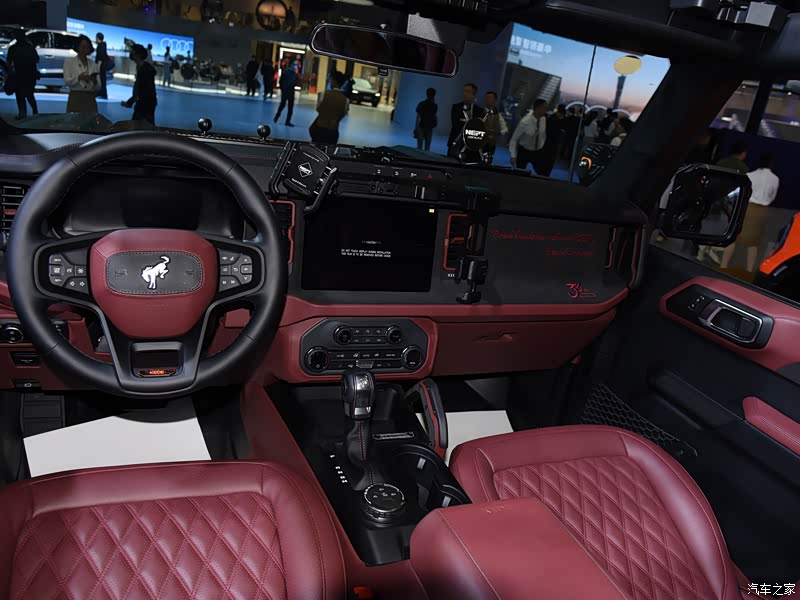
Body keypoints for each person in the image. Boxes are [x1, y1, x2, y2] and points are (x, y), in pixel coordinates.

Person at [720, 153, 780, 273]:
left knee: (733, 236)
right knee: (754, 243)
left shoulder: (750, 175)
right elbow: (772, 197)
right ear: (772, 164)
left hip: (747, 208)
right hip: (762, 211)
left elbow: (742, 192)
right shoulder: (775, 179)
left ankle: (723, 265)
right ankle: (749, 271)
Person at [509, 99, 548, 174]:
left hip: (538, 151)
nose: (546, 110)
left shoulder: (544, 119)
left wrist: (542, 145)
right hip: (524, 151)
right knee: (519, 173)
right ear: (538, 108)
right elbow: (514, 139)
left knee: (542, 173)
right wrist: (513, 155)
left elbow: (543, 134)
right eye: (544, 108)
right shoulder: (525, 121)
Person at [309, 71, 349, 144]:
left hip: (319, 129)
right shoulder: (346, 100)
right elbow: (343, 114)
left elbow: (318, 109)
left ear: (333, 81)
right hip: (333, 131)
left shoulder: (323, 94)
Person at [121, 44, 157, 124]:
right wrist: (130, 102)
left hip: (146, 103)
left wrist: (131, 102)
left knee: (142, 125)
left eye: (132, 52)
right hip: (143, 102)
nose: (131, 53)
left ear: (138, 55)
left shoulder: (146, 70)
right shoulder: (140, 67)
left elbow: (145, 90)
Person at [64, 35, 100, 114]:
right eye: (83, 47)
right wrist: (79, 78)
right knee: (74, 120)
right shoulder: (69, 62)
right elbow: (67, 81)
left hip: (90, 98)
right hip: (75, 98)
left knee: (91, 121)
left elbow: (98, 87)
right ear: (77, 47)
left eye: (87, 47)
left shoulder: (94, 65)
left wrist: (95, 82)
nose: (85, 49)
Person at [7, 30, 39, 120]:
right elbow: (36, 59)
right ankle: (35, 112)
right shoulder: (30, 47)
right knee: (30, 94)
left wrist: (11, 72)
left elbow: (9, 61)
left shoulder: (13, 48)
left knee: (20, 95)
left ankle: (22, 113)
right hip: (30, 74)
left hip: (19, 74)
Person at [448, 83, 484, 157]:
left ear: (473, 94)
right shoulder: (456, 107)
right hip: (455, 143)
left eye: (468, 91)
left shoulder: (479, 111)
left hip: (470, 147)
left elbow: (477, 129)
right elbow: (455, 125)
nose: (465, 94)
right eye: (464, 91)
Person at [482, 91, 508, 158]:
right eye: (486, 98)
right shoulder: (480, 112)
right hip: (481, 143)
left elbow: (504, 128)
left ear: (495, 100)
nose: (487, 99)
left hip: (491, 144)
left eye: (489, 98)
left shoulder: (498, 115)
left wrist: (497, 133)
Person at [273, 60, 297, 126]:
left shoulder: (294, 74)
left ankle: (287, 121)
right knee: (282, 105)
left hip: (291, 91)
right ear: (291, 65)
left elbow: (294, 82)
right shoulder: (286, 72)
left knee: (290, 107)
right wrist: (282, 89)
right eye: (294, 65)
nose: (295, 67)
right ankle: (277, 117)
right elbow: (281, 81)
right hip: (285, 91)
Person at [94, 32, 109, 99]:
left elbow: (100, 57)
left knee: (101, 79)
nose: (95, 39)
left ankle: (102, 93)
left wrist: (98, 67)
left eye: (96, 37)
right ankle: (102, 93)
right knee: (102, 79)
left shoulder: (100, 46)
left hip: (101, 66)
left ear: (98, 38)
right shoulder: (102, 45)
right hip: (103, 65)